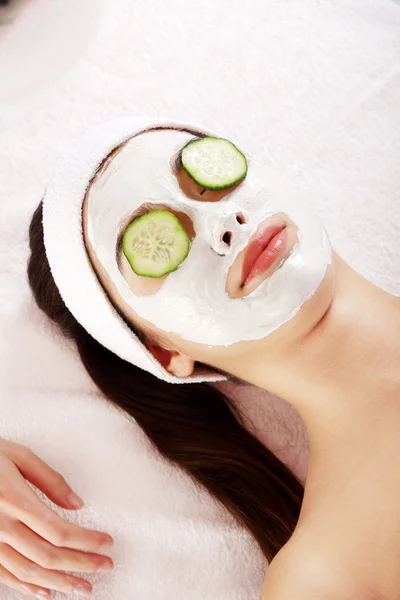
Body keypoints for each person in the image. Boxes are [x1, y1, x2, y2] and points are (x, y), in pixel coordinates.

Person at [24, 119, 400, 599]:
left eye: (211, 178)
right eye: (158, 244)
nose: (224, 223)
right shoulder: (331, 578)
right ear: (165, 353)